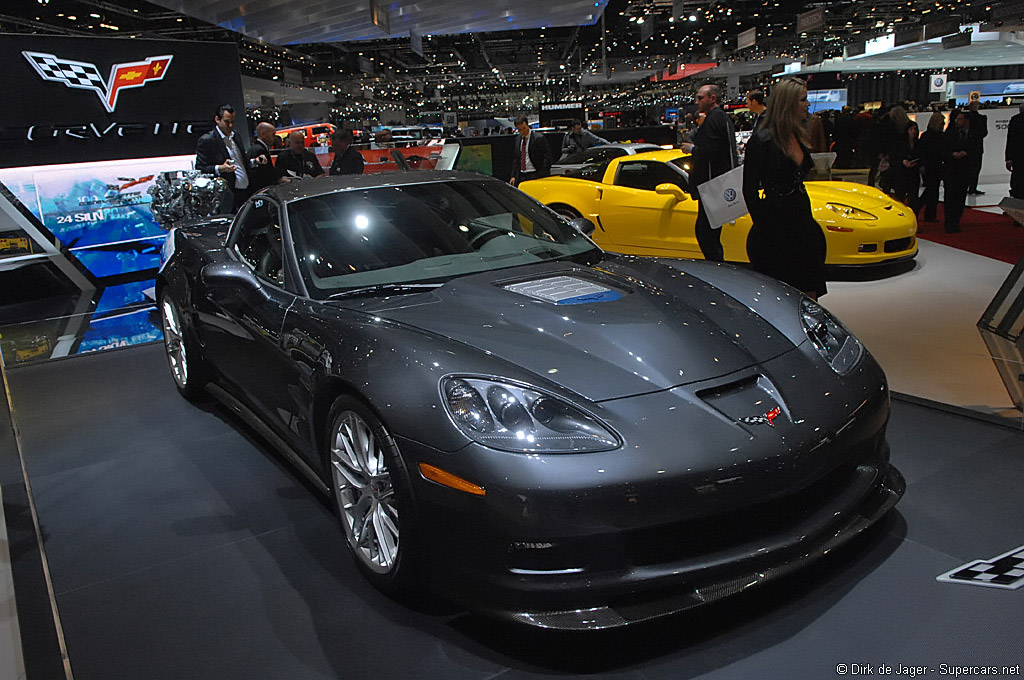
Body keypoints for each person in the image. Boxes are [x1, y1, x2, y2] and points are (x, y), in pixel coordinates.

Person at [742, 77, 827, 301]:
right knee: (781, 296)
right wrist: (764, 225)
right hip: (775, 228)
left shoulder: (797, 135)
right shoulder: (762, 141)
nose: (808, 104)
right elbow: (749, 190)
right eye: (803, 99)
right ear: (788, 103)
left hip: (802, 220)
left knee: (809, 293)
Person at [680, 83, 738, 262]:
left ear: (712, 98)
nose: (697, 102)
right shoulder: (719, 119)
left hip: (713, 187)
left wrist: (693, 149)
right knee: (707, 233)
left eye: (700, 98)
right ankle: (717, 267)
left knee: (707, 234)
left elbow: (713, 152)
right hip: (716, 185)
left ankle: (717, 269)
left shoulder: (715, 120)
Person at [195, 104, 251, 213]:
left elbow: (241, 161)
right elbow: (200, 167)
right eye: (226, 121)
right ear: (217, 119)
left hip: (246, 192)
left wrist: (254, 162)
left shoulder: (236, 137)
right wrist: (220, 168)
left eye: (233, 121)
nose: (230, 125)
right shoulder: (208, 140)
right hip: (227, 195)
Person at [943, 110, 975, 233]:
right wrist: (952, 154)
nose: (958, 121)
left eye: (960, 119)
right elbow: (944, 150)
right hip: (951, 170)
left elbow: (976, 152)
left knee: (960, 198)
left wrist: (967, 154)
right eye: (957, 119)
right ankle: (949, 222)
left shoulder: (973, 135)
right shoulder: (950, 133)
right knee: (950, 197)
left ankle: (956, 221)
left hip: (965, 171)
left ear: (966, 121)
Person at [917, 112, 946, 222]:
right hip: (930, 166)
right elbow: (922, 152)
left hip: (937, 165)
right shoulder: (927, 136)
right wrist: (922, 165)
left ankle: (929, 214)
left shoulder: (939, 136)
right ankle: (924, 210)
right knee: (931, 190)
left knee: (933, 191)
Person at [509, 115, 553, 186]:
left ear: (527, 125)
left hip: (535, 173)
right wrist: (513, 176)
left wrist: (542, 173)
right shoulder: (518, 139)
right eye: (519, 130)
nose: (522, 131)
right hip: (521, 175)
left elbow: (547, 157)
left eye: (524, 128)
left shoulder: (538, 138)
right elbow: (516, 159)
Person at [890, 121, 921, 212]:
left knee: (913, 198)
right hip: (901, 174)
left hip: (913, 173)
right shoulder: (900, 143)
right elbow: (894, 157)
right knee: (900, 196)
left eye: (915, 129)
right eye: (911, 129)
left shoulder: (918, 144)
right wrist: (903, 161)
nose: (913, 131)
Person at [247, 121, 286, 193]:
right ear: (263, 134)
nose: (275, 138)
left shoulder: (258, 148)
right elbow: (261, 175)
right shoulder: (258, 150)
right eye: (273, 134)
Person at [966, 100, 988, 195]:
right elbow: (984, 132)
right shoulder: (982, 118)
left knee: (967, 167)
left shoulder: (967, 118)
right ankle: (973, 187)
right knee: (976, 168)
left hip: (967, 146)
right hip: (977, 146)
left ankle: (966, 186)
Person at [1005, 103, 1024, 199]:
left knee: (1018, 177)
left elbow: (1010, 140)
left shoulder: (1015, 120)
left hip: (1018, 155)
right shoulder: (1016, 120)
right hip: (1018, 155)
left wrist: (1008, 158)